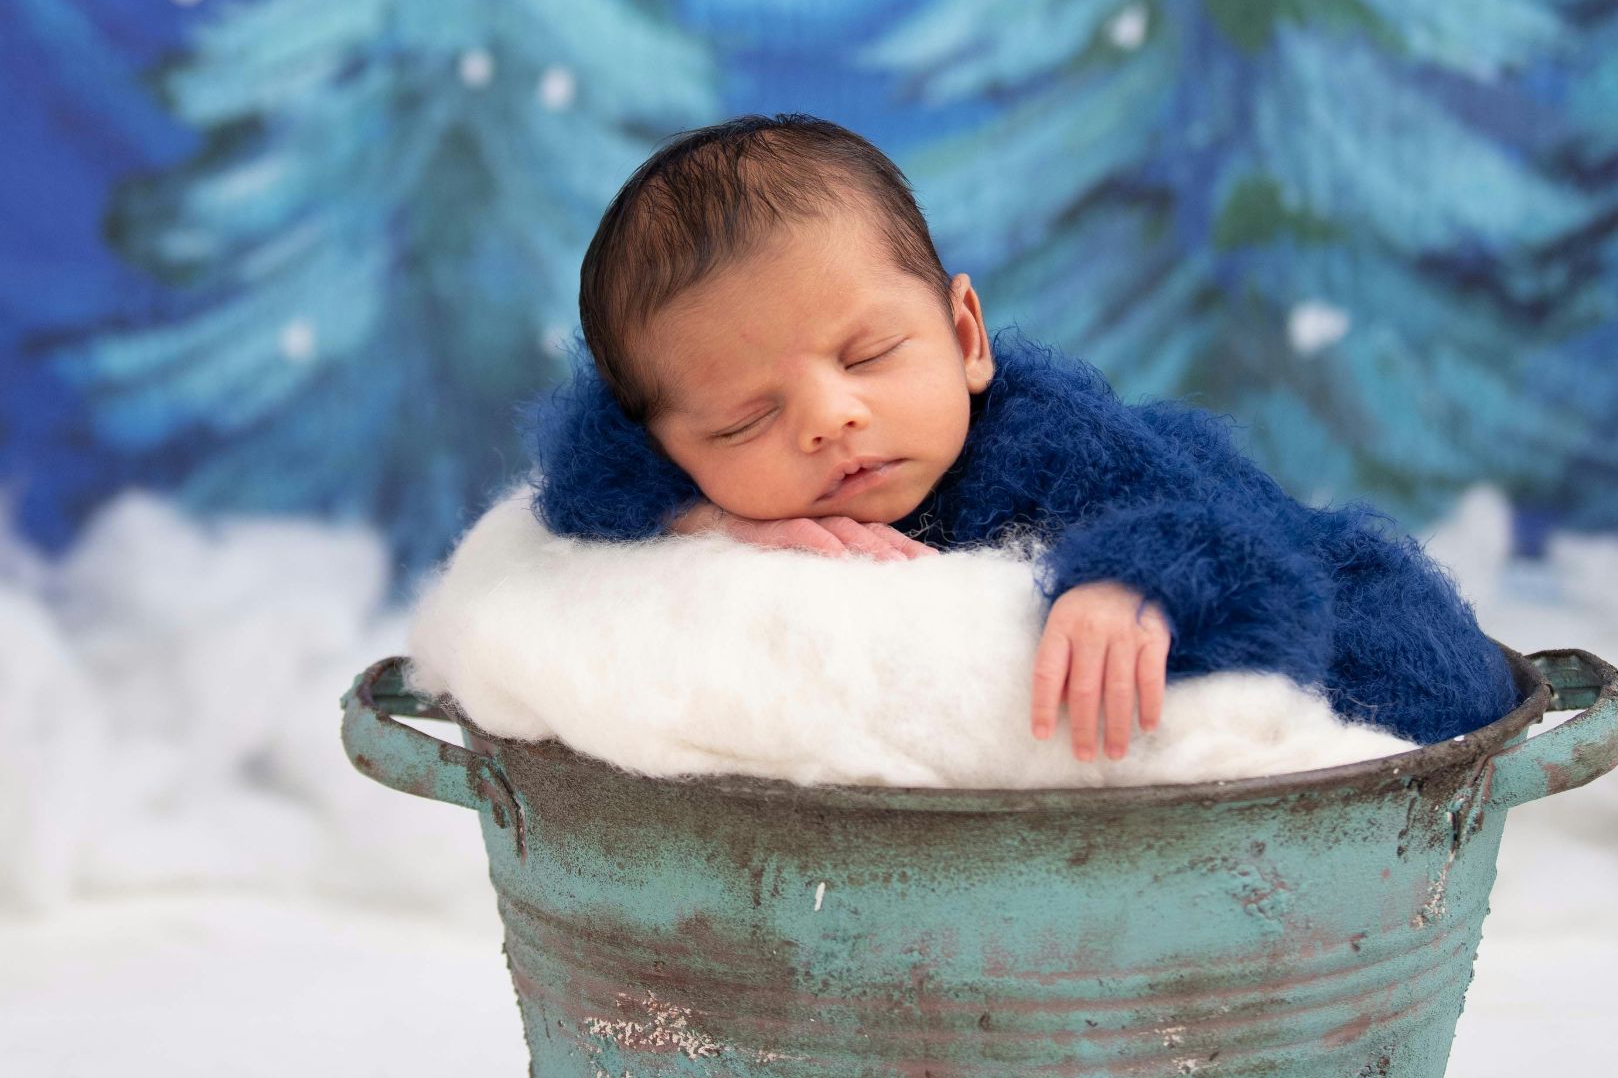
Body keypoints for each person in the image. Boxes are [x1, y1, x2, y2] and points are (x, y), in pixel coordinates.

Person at [531, 114, 1519, 763]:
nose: (829, 418)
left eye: (870, 354)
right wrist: (702, 513)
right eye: (747, 420)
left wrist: (1133, 584)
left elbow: (1239, 549)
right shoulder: (692, 472)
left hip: (1347, 614)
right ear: (672, 443)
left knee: (1396, 690)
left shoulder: (1052, 443)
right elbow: (581, 480)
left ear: (965, 336)